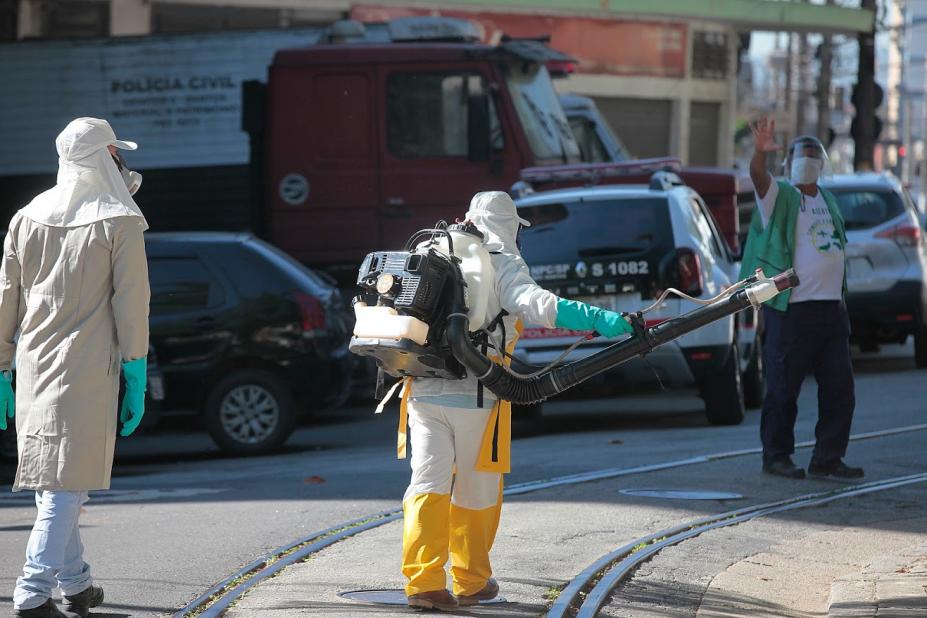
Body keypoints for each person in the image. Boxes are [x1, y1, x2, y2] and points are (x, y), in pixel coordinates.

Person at [397, 191, 633, 611]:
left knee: (426, 485)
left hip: (422, 389)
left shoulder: (429, 246)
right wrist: (599, 318)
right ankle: (471, 581)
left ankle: (424, 583)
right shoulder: (500, 260)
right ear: (510, 226)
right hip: (477, 395)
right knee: (477, 490)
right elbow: (538, 305)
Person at [1, 118, 151, 618]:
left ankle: (77, 583)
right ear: (100, 157)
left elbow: (7, 298)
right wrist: (135, 371)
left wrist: (3, 366)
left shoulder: (28, 215)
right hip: (87, 368)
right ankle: (32, 590)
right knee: (66, 484)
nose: (120, 161)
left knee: (55, 479)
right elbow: (132, 305)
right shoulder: (120, 221)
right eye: (114, 152)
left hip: (34, 365)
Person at [741, 117, 862, 481]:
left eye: (812, 155)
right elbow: (758, 179)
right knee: (783, 389)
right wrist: (760, 153)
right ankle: (776, 456)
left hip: (831, 310)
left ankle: (828, 458)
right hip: (791, 311)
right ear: (789, 161)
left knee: (840, 389)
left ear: (822, 164)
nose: (806, 160)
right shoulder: (781, 195)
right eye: (800, 154)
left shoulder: (828, 200)